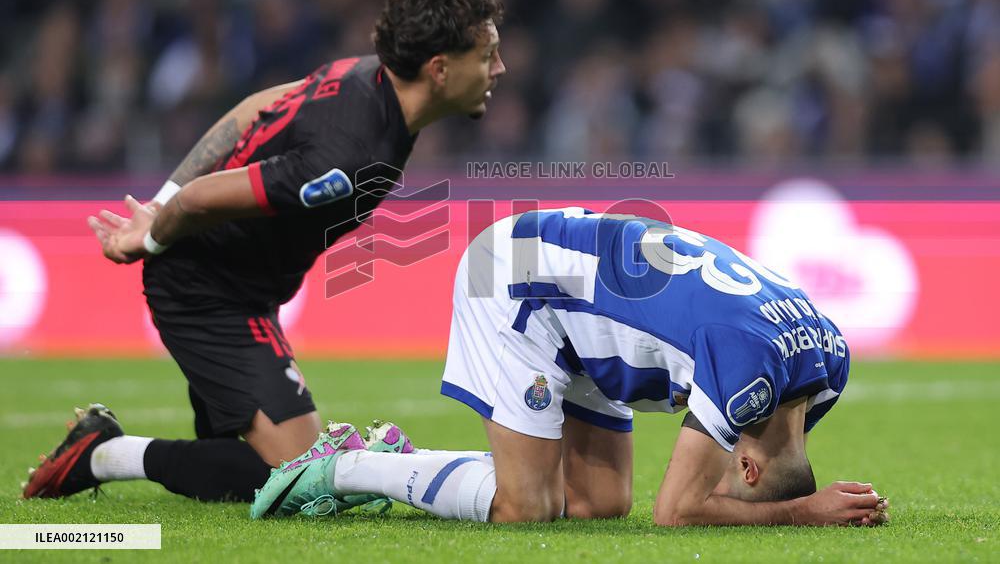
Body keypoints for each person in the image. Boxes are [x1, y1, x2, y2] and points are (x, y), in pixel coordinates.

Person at [22, 0, 506, 503]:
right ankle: (100, 454)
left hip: (241, 285)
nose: (498, 70)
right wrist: (152, 231)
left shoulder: (368, 77)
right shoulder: (348, 154)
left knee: (237, 467)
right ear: (439, 69)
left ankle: (185, 452)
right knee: (295, 477)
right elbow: (197, 201)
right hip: (208, 292)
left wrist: (161, 201)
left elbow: (252, 109)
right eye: (487, 57)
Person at [251, 207, 890, 526]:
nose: (722, 473)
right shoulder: (748, 375)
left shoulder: (829, 361)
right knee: (526, 506)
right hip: (520, 275)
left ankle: (404, 456)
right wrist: (802, 512)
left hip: (592, 309)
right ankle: (348, 466)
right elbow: (676, 512)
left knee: (599, 503)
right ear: (746, 467)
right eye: (732, 480)